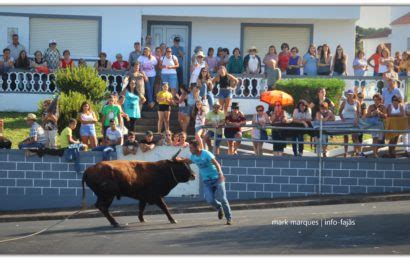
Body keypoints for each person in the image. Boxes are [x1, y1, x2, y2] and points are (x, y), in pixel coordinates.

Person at [180, 140, 232, 225]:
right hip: (207, 181)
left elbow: (217, 164)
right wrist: (178, 160)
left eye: (191, 148)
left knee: (223, 198)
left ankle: (228, 218)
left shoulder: (206, 154)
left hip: (217, 179)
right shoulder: (193, 156)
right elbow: (188, 161)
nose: (190, 150)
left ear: (197, 147)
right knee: (210, 200)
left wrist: (220, 174)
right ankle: (219, 207)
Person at [339, 90, 360, 157]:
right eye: (348, 94)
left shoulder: (357, 102)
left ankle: (356, 151)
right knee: (346, 137)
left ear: (353, 95)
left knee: (355, 137)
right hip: (346, 121)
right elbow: (340, 112)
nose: (349, 96)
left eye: (350, 94)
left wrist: (357, 119)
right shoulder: (344, 102)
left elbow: (359, 113)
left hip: (354, 121)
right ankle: (345, 152)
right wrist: (342, 118)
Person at [365, 93, 387, 157]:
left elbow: (386, 116)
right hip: (373, 124)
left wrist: (380, 113)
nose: (376, 101)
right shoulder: (371, 106)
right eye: (374, 99)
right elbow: (367, 115)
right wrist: (373, 113)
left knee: (380, 139)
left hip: (380, 124)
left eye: (377, 99)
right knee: (374, 138)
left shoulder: (383, 106)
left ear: (380, 100)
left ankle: (376, 151)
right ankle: (375, 153)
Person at [356, 92, 367, 157]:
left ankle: (360, 152)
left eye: (361, 97)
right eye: (359, 97)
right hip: (354, 122)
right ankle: (357, 151)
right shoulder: (355, 104)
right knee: (355, 137)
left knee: (360, 137)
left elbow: (364, 114)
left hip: (360, 123)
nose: (360, 98)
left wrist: (359, 120)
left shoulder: (363, 105)